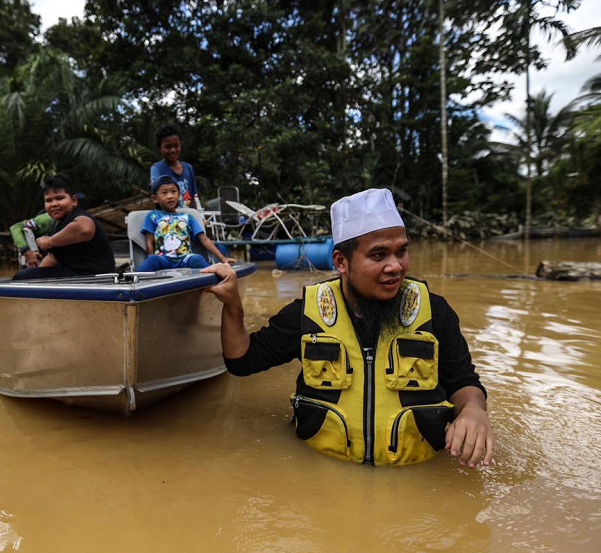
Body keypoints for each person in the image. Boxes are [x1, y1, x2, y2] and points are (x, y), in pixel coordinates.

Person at [202, 188, 494, 468]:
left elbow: (463, 383)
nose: (395, 266)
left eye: (402, 251)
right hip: (322, 472)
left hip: (418, 472)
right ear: (341, 261)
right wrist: (233, 306)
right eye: (379, 255)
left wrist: (473, 410)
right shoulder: (308, 313)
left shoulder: (434, 312)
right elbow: (242, 360)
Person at [12, 174, 116, 280]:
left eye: (59, 198)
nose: (54, 204)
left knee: (21, 276)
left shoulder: (78, 215)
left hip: (95, 277)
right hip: (75, 276)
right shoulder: (58, 225)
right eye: (48, 200)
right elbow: (53, 257)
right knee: (24, 276)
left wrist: (50, 241)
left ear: (74, 201)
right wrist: (35, 276)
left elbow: (85, 228)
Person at [137, 176, 235, 272]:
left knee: (197, 258)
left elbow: (204, 239)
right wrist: (152, 260)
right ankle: (134, 280)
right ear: (155, 198)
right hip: (163, 258)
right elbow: (149, 242)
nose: (170, 196)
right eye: (164, 192)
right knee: (152, 259)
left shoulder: (187, 217)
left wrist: (223, 258)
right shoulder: (153, 216)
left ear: (179, 194)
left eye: (173, 191)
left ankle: (213, 278)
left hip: (185, 258)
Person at [150, 123, 199, 209]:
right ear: (160, 148)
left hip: (187, 215)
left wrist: (197, 214)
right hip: (167, 216)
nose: (173, 150)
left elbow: (194, 197)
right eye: (168, 147)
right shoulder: (157, 169)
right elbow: (155, 188)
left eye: (176, 146)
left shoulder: (188, 168)